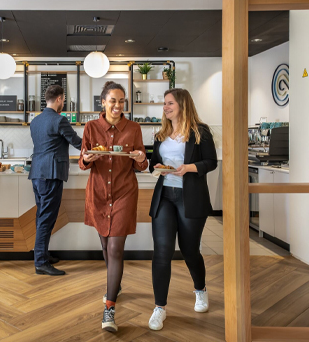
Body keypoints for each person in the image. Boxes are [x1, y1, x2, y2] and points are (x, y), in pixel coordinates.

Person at [79, 81, 148, 332]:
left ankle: (109, 308)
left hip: (124, 193)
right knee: (106, 245)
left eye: (121, 101)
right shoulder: (91, 127)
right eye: (113, 101)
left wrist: (142, 158)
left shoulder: (134, 128)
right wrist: (87, 158)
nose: (118, 106)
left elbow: (141, 162)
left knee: (116, 248)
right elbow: (83, 160)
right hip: (98, 194)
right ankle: (114, 282)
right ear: (103, 102)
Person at [147, 88, 218, 331]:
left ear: (182, 105)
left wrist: (189, 167)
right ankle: (159, 308)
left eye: (170, 103)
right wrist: (153, 163)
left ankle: (200, 290)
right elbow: (152, 163)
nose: (165, 108)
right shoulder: (161, 134)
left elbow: (211, 162)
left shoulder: (200, 131)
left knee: (190, 251)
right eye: (164, 104)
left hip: (191, 198)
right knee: (162, 251)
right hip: (165, 196)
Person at [29, 85, 82, 276]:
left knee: (41, 216)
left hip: (37, 173)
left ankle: (41, 254)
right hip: (51, 174)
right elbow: (78, 143)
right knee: (46, 218)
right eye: (64, 99)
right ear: (60, 99)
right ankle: (41, 262)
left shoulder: (35, 122)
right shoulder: (60, 120)